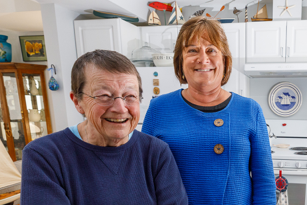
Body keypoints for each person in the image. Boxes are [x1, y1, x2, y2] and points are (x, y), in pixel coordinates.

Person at [21, 50, 188, 205]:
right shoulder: (43, 155)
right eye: (104, 96)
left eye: (130, 96)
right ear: (77, 102)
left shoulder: (156, 152)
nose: (120, 108)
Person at [142, 16, 276, 204]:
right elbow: (143, 177)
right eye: (192, 50)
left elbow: (265, 185)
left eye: (211, 50)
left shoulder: (250, 110)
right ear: (181, 61)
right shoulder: (159, 108)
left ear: (224, 60)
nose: (203, 59)